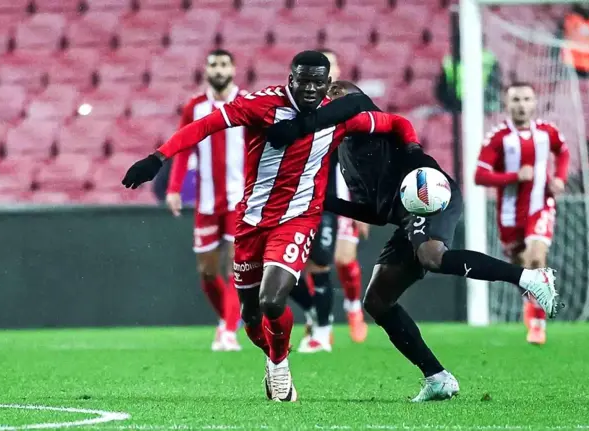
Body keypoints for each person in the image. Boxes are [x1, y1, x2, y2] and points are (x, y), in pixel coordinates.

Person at [122, 50, 420, 402]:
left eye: (317, 82)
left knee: (272, 300)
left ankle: (280, 366)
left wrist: (413, 150)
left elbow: (396, 124)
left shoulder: (339, 117)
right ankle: (273, 355)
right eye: (302, 81)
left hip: (298, 219)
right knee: (250, 315)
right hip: (250, 221)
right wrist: (158, 158)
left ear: (327, 84)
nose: (309, 89)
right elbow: (203, 126)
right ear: (290, 78)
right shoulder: (259, 105)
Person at [265, 80, 562, 401]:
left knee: (432, 255)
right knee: (377, 301)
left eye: (333, 94)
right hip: (404, 213)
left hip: (428, 192)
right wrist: (323, 200)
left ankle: (531, 277)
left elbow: (376, 114)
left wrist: (296, 126)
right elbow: (378, 214)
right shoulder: (345, 150)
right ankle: (437, 377)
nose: (327, 100)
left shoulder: (366, 117)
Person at [475, 82, 570, 345]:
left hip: (541, 205)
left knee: (536, 257)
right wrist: (514, 176)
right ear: (507, 104)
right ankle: (531, 303)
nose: (521, 105)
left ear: (535, 103)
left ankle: (537, 322)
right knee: (521, 267)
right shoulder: (497, 137)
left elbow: (563, 152)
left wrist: (560, 179)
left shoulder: (547, 132)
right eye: (516, 99)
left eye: (527, 99)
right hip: (509, 214)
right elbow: (480, 176)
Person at [164, 49, 245, 351]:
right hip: (207, 202)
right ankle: (228, 319)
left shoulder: (247, 103)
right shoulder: (195, 107)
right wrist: (174, 188)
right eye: (213, 64)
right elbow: (184, 149)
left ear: (234, 69)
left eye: (224, 63)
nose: (219, 69)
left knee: (236, 268)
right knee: (207, 273)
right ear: (206, 70)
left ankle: (227, 330)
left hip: (241, 200)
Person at [288, 48, 368, 354]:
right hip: (293, 199)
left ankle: (340, 316)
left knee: (331, 260)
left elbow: (358, 159)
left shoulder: (347, 110)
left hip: (332, 201)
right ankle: (317, 315)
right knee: (283, 267)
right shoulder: (296, 108)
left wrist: (362, 205)